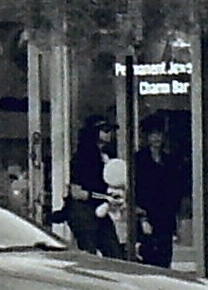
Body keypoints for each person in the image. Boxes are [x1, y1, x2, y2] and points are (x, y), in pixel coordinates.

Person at [131, 119, 191, 269]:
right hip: (146, 215)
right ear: (147, 137)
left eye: (159, 134)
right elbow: (136, 188)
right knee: (148, 255)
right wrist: (140, 215)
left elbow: (175, 187)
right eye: (153, 135)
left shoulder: (169, 160)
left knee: (165, 255)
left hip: (166, 216)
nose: (157, 138)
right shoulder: (139, 160)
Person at [64, 115, 123, 258]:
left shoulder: (107, 156)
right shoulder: (82, 156)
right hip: (83, 212)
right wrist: (102, 196)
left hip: (101, 209)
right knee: (89, 254)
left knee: (114, 252)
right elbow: (76, 192)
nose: (109, 134)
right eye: (105, 130)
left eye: (110, 131)